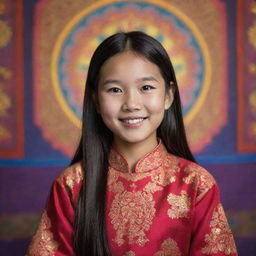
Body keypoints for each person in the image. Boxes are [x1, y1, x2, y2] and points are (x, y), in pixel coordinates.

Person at [26, 31, 237, 256]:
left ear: (169, 95)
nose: (131, 104)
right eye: (115, 90)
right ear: (96, 100)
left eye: (146, 88)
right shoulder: (71, 185)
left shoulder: (196, 184)